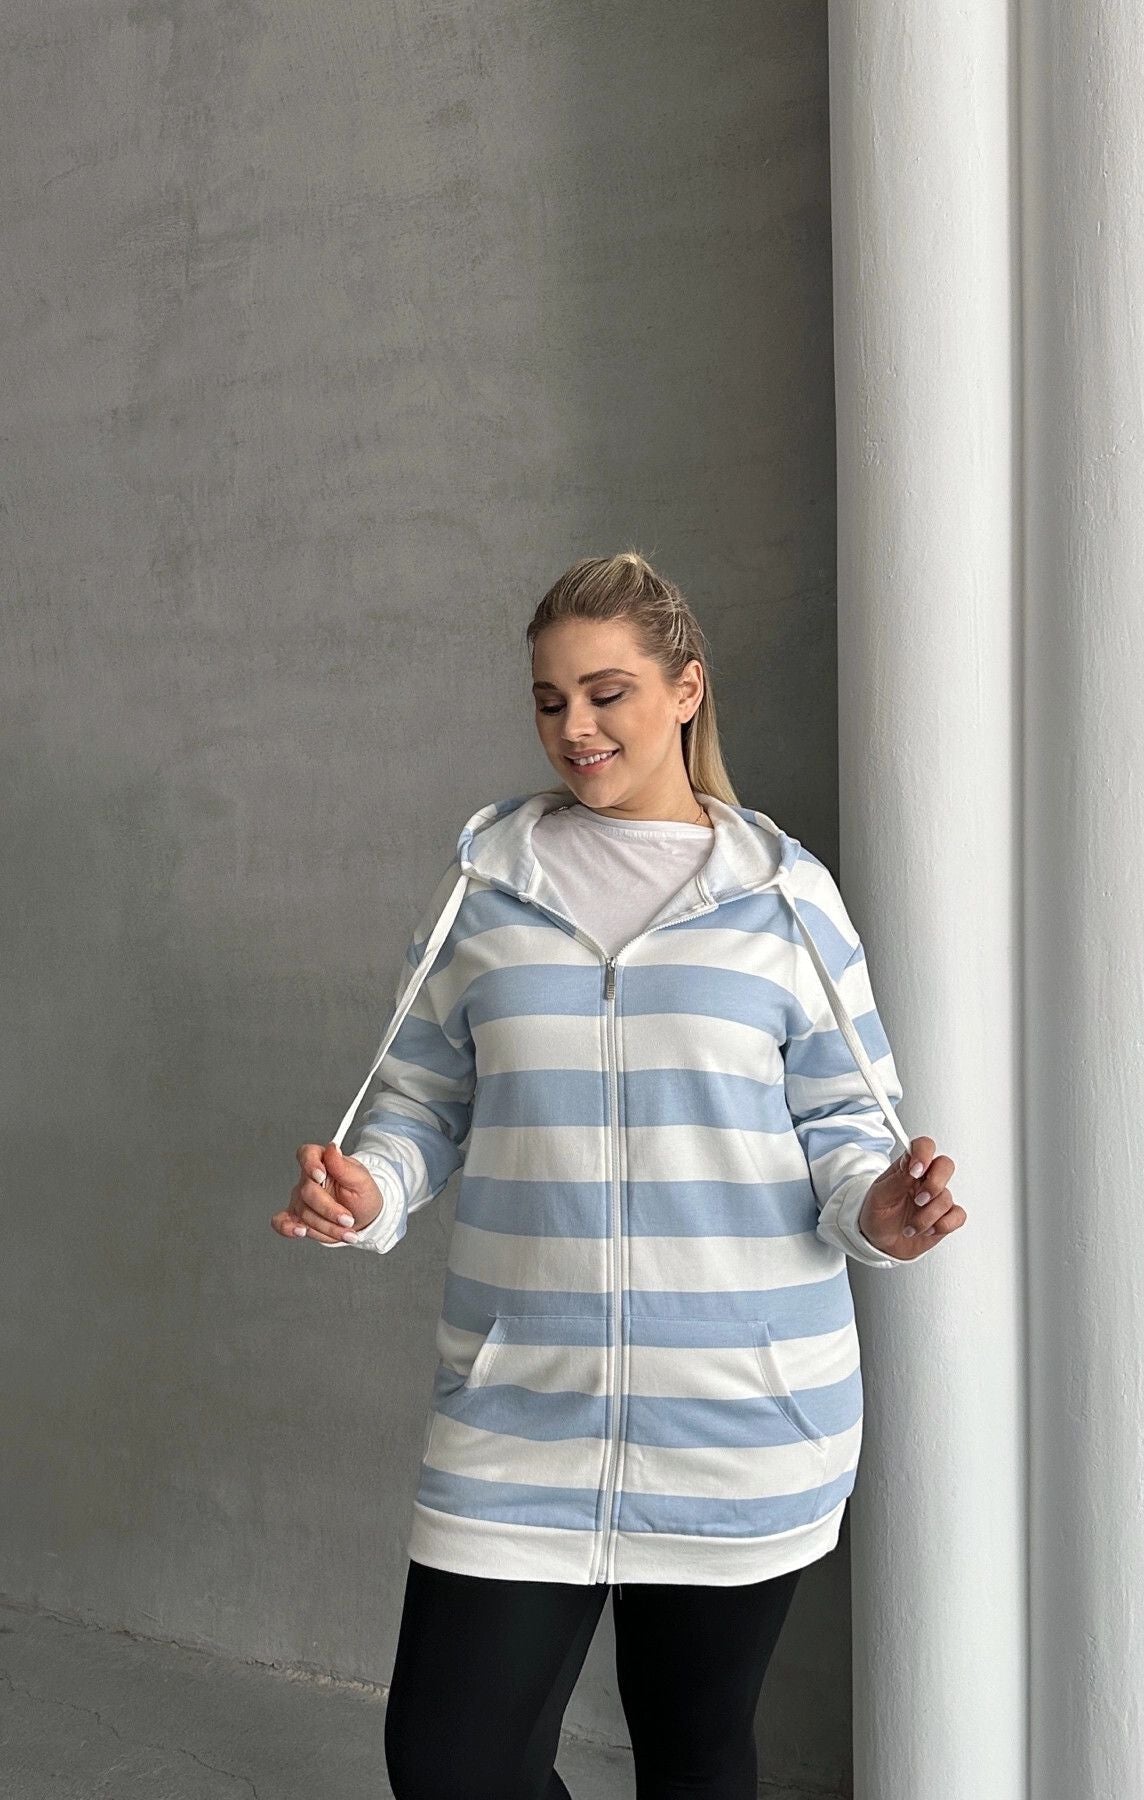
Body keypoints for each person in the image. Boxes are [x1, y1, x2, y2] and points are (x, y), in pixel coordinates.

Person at [272, 550, 965, 1798]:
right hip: (520, 1402)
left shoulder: (787, 900)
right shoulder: (486, 889)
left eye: (607, 694)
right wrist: (370, 1188)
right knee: (450, 1763)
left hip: (742, 1411)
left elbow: (846, 1124)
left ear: (685, 691)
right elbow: (424, 1099)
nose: (575, 728)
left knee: (696, 1758)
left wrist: (882, 1209)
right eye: (550, 701)